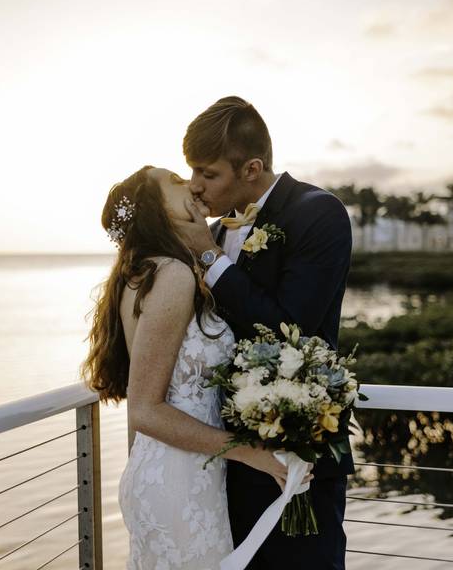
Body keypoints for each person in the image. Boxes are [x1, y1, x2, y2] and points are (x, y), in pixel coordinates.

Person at [81, 165, 294, 570]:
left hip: (173, 475)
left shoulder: (144, 271)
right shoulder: (172, 275)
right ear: (155, 209)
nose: (192, 186)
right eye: (176, 182)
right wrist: (252, 453)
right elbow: (145, 410)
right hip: (178, 481)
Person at [173, 96, 354, 570]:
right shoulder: (211, 232)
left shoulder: (319, 214)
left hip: (298, 454)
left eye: (207, 174)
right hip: (224, 459)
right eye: (191, 171)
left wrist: (209, 258)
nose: (194, 186)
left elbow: (287, 326)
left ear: (251, 168)